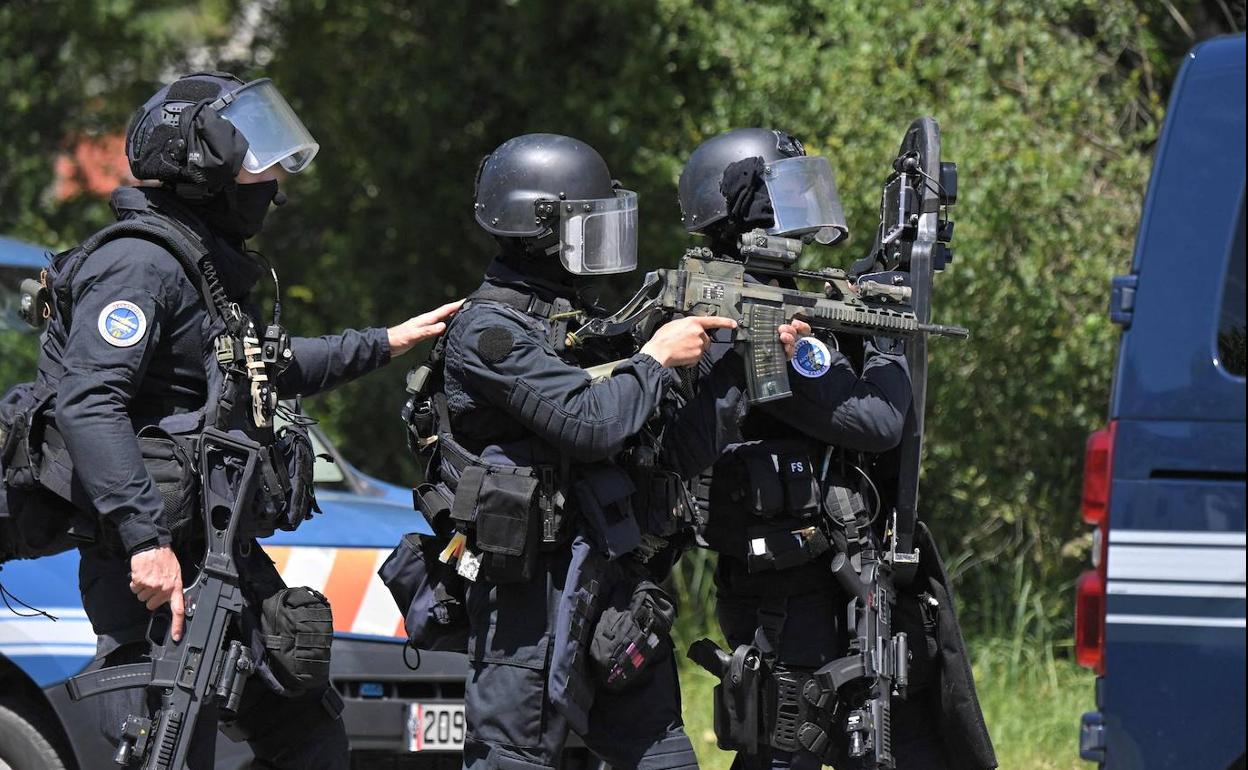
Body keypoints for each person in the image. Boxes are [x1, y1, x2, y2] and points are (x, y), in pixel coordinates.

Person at [30, 72, 458, 768]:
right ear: (203, 169)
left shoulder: (202, 265)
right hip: (152, 565)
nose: (273, 183)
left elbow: (259, 364)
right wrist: (144, 541)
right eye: (256, 161)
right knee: (171, 746)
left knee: (309, 737)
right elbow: (89, 400)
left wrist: (387, 341)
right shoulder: (139, 263)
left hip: (219, 556)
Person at [419, 133, 807, 770]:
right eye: (589, 224)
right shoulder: (488, 332)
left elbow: (675, 453)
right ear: (541, 229)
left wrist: (743, 365)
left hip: (614, 589)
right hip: (527, 605)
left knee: (666, 760)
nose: (604, 240)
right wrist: (654, 360)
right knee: (512, 761)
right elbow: (589, 425)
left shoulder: (584, 325)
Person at [677, 128, 996, 770]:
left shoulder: (779, 302)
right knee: (788, 745)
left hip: (819, 577)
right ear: (745, 216)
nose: (802, 213)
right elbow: (876, 419)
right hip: (789, 592)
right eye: (783, 195)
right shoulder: (751, 319)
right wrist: (885, 341)